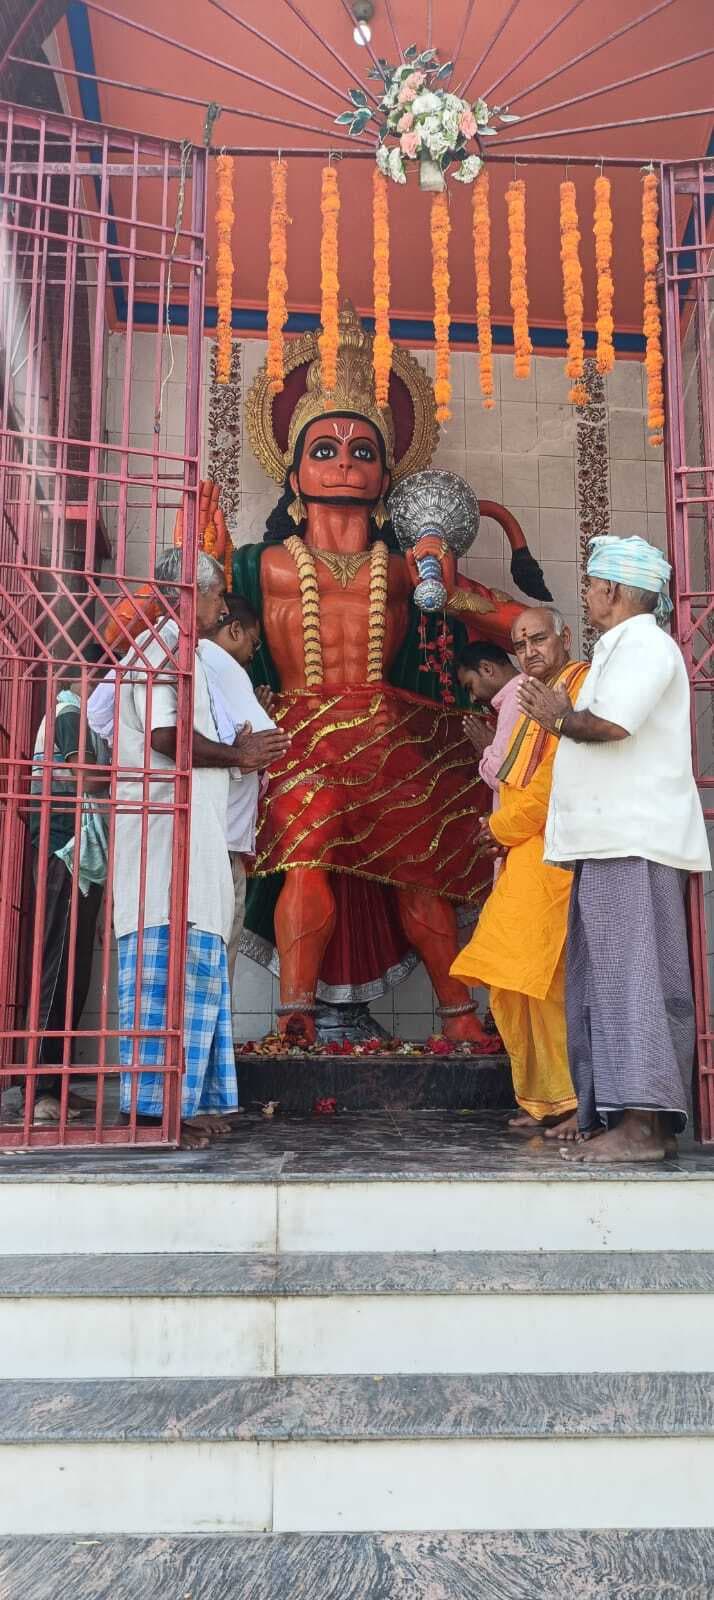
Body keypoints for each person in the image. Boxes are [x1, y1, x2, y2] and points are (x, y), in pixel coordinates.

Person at [519, 536, 711, 1163]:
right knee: (606, 981)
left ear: (613, 590)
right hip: (611, 842)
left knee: (633, 981)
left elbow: (612, 725)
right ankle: (613, 1114)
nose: (587, 595)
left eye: (592, 584)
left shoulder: (644, 645)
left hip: (632, 840)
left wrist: (558, 717)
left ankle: (644, 1128)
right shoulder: (621, 647)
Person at [113, 552, 288, 1148]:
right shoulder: (162, 648)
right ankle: (157, 1116)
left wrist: (236, 747)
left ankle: (183, 1106)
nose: (221, 607)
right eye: (216, 596)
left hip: (194, 838)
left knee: (196, 969)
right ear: (192, 593)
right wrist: (239, 755)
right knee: (168, 972)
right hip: (165, 844)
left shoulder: (187, 654)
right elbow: (166, 737)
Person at [450, 608, 589, 1132]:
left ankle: (573, 1100)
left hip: (552, 854)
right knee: (512, 983)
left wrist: (501, 827)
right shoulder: (532, 697)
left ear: (564, 637)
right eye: (521, 643)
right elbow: (515, 779)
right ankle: (543, 1099)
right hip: (522, 856)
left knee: (545, 981)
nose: (530, 651)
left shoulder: (577, 686)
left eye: (539, 639)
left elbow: (557, 782)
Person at [27, 663, 109, 1123]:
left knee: (73, 973)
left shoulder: (76, 714)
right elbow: (85, 775)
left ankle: (56, 1082)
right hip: (65, 849)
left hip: (76, 851)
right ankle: (40, 1088)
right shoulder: (69, 713)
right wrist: (136, 769)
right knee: (58, 968)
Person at [199, 593, 277, 992]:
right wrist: (244, 748)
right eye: (254, 643)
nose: (252, 654)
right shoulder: (219, 664)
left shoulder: (209, 667)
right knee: (216, 956)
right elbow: (264, 744)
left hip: (217, 839)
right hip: (217, 842)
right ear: (233, 629)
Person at [456, 642, 522, 804]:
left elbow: (503, 780)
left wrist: (487, 748)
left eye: (470, 687)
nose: (472, 698)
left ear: (487, 669)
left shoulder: (515, 700)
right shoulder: (518, 695)